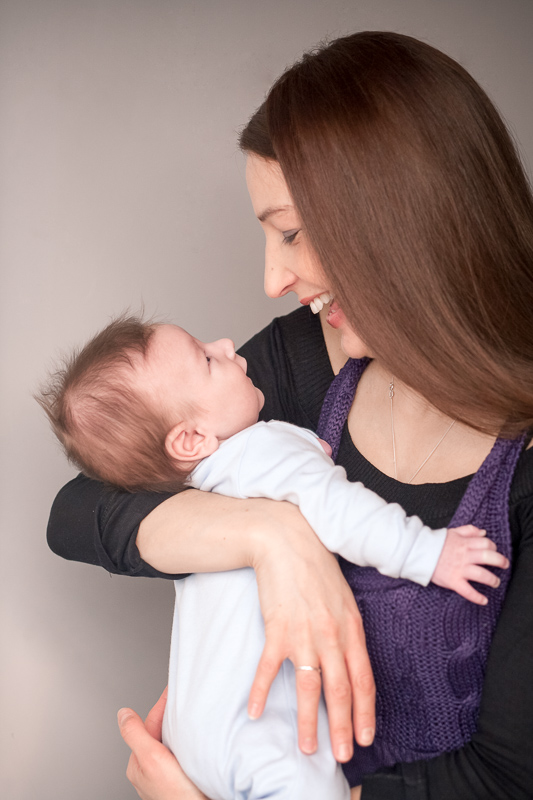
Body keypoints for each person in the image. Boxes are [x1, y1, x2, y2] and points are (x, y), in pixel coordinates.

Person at [46, 31, 533, 799]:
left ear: (399, 218)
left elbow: (509, 777)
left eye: (292, 232)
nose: (271, 278)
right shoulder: (310, 356)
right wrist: (271, 536)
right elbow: (82, 509)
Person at [38, 315, 499, 799]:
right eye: (208, 359)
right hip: (262, 734)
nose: (227, 344)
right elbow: (343, 513)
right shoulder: (260, 450)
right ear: (190, 439)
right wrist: (428, 552)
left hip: (188, 740)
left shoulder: (201, 486)